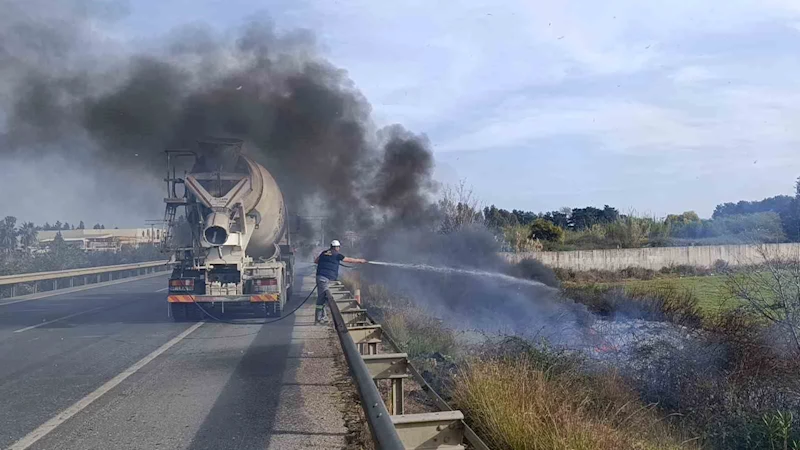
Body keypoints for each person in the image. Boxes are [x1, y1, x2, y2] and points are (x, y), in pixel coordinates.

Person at [313, 239, 367, 324]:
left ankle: (321, 317)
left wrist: (326, 261)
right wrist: (360, 261)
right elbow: (349, 260)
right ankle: (320, 318)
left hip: (320, 277)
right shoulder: (337, 255)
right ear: (337, 247)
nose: (339, 249)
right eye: (338, 247)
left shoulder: (324, 253)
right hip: (328, 279)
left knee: (322, 297)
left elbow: (316, 261)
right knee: (324, 299)